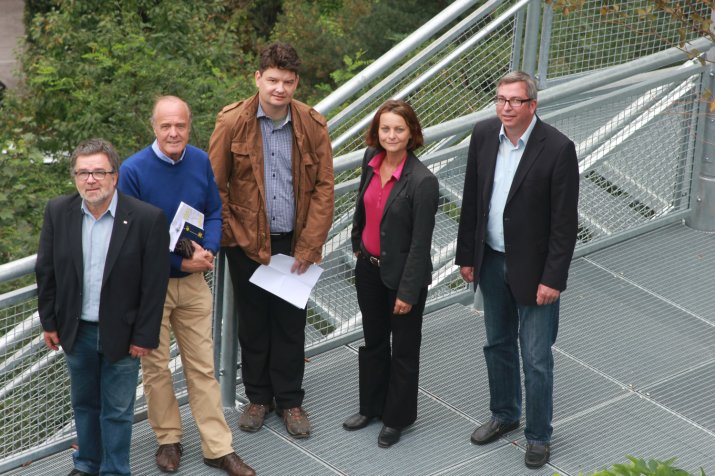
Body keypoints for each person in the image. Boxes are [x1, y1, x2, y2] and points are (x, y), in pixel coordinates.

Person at [119, 96, 255, 476]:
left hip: (194, 284)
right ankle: (169, 439)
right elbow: (132, 240)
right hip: (152, 288)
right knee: (156, 369)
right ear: (154, 127)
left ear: (189, 125)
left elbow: (214, 211)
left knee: (203, 368)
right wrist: (180, 262)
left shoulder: (199, 160)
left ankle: (218, 448)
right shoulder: (132, 171)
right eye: (166, 125)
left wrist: (207, 250)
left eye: (180, 125)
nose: (173, 132)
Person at [208, 42, 334, 439]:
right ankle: (258, 398)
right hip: (247, 243)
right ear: (258, 78)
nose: (280, 89)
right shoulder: (232, 122)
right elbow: (215, 185)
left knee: (291, 324)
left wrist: (309, 245)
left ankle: (290, 401)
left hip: (295, 243)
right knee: (253, 324)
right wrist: (232, 235)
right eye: (273, 80)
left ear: (296, 83)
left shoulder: (311, 124)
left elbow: (324, 188)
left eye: (288, 82)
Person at [455, 71, 579, 469]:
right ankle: (505, 414)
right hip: (490, 260)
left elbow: (564, 224)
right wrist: (467, 255)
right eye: (500, 99)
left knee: (536, 357)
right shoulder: (483, 135)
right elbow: (472, 199)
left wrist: (553, 279)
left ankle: (539, 436)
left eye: (515, 101)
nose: (506, 107)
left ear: (532, 105)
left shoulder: (557, 148)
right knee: (497, 344)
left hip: (535, 271)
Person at [36, 138, 170, 476]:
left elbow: (154, 285)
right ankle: (87, 465)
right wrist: (49, 322)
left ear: (115, 176)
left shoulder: (146, 218)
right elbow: (46, 271)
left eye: (99, 172)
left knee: (118, 411)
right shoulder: (58, 212)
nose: (91, 179)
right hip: (76, 330)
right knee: (84, 404)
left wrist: (144, 335)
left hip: (124, 334)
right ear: (75, 177)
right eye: (83, 173)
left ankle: (114, 470)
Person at [342, 100, 438, 448]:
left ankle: (397, 418)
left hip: (404, 278)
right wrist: (357, 242)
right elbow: (363, 205)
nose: (391, 135)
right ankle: (370, 407)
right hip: (368, 268)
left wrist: (407, 292)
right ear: (377, 131)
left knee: (404, 350)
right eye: (385, 128)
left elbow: (420, 243)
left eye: (399, 129)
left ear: (412, 133)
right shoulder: (371, 158)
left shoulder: (423, 181)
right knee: (374, 342)